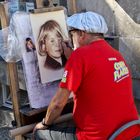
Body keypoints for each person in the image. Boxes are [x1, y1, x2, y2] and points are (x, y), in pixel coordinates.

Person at [33, 11, 140, 140]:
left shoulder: (80, 56)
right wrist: (73, 57)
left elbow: (57, 104)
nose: (71, 40)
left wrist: (44, 123)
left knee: (39, 134)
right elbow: (94, 70)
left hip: (98, 136)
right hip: (129, 131)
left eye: (72, 34)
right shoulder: (116, 55)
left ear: (81, 34)